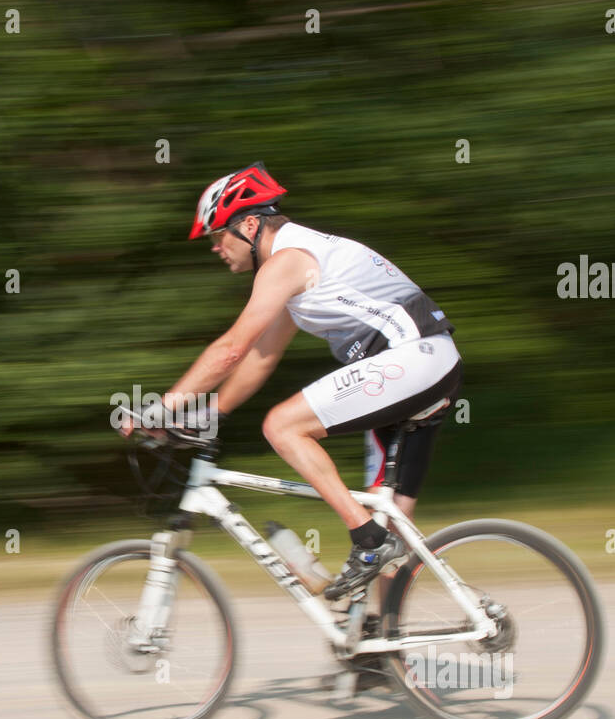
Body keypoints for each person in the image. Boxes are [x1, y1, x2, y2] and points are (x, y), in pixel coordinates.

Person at [124, 162, 462, 599]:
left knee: (282, 425)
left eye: (217, 236)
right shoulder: (299, 264)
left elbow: (231, 349)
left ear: (249, 224)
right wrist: (212, 413)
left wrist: (164, 407)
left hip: (410, 362)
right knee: (394, 522)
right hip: (427, 368)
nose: (215, 248)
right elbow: (261, 358)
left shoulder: (287, 261)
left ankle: (367, 540)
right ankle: (381, 652)